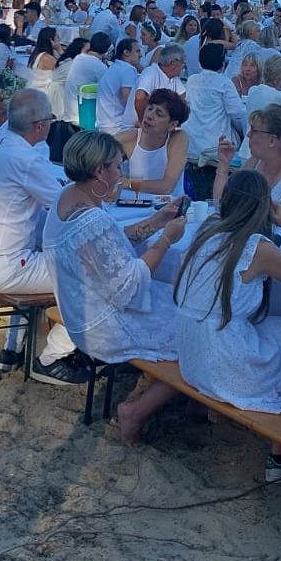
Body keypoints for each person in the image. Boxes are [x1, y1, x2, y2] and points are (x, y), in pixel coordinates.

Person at [174, 169, 281, 479]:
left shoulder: (208, 228)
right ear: (263, 206)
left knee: (276, 326)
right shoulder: (256, 246)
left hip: (191, 353)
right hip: (224, 357)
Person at [43, 131, 187, 441]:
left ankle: (184, 397)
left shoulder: (68, 197)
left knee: (183, 303)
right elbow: (130, 287)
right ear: (99, 172)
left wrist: (158, 220)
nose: (121, 175)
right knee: (198, 332)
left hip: (84, 315)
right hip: (102, 326)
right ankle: (137, 411)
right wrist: (166, 240)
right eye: (118, 167)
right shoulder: (92, 220)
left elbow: (110, 244)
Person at [0, 88, 87, 382]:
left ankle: (12, 349)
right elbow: (66, 205)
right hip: (1, 267)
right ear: (40, 126)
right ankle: (53, 356)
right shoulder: (26, 160)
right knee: (89, 275)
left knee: (37, 248)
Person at [216, 103, 281, 232]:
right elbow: (223, 204)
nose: (248, 136)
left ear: (272, 140)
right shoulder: (255, 162)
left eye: (253, 131)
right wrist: (224, 164)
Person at [183, 42, 248, 197]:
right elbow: (237, 113)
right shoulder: (224, 83)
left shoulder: (192, 80)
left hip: (191, 143)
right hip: (214, 145)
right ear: (222, 62)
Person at [116, 87, 191, 196]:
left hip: (171, 207)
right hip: (135, 206)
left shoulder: (178, 138)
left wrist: (127, 183)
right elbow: (96, 148)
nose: (150, 116)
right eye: (150, 109)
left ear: (172, 125)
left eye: (159, 114)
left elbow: (166, 187)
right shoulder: (130, 137)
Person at [125, 41, 185, 127]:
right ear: (173, 63)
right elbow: (140, 97)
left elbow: (182, 97)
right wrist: (143, 121)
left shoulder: (173, 78)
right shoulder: (151, 72)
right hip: (134, 127)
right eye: (183, 62)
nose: (184, 66)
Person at [96, 37, 142, 134]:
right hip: (116, 126)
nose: (141, 55)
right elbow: (129, 101)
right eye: (137, 51)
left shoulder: (116, 67)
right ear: (126, 52)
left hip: (105, 123)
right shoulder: (127, 69)